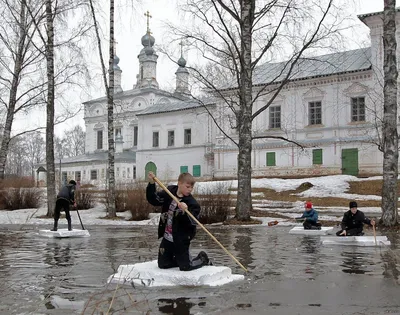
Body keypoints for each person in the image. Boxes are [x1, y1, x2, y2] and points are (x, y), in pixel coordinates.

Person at [146, 171, 210, 271]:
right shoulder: (170, 191)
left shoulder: (192, 203)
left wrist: (185, 211)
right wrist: (151, 184)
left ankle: (202, 259)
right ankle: (179, 259)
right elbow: (155, 200)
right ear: (179, 183)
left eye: (191, 188)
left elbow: (193, 222)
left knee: (185, 267)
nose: (190, 190)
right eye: (187, 186)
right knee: (163, 264)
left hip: (181, 238)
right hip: (167, 237)